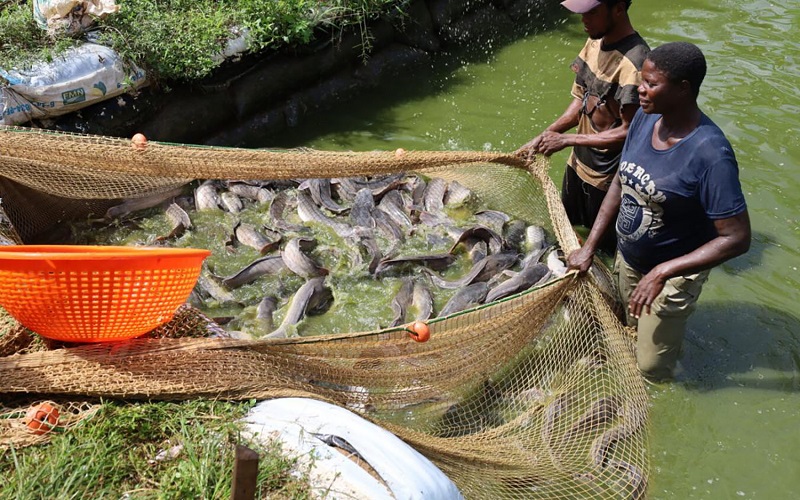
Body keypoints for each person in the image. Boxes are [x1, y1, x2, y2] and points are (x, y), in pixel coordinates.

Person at [567, 42, 751, 381]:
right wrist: (590, 247)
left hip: (675, 270)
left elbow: (737, 238)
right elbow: (620, 184)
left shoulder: (711, 154)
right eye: (642, 80)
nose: (640, 89)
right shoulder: (644, 120)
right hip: (631, 255)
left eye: (651, 84)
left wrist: (663, 272)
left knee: (652, 369)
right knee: (629, 326)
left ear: (683, 89)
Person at [517, 0, 649, 255]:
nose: (584, 19)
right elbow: (581, 100)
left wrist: (567, 141)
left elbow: (629, 131)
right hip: (577, 166)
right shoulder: (595, 40)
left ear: (619, 9)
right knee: (563, 235)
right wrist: (546, 135)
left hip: (607, 180)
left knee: (601, 251)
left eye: (592, 12)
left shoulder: (635, 63)